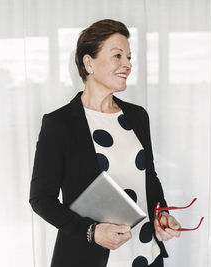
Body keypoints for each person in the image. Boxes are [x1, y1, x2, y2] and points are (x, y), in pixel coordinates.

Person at [29, 19, 181, 267]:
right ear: (89, 63)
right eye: (117, 56)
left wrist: (161, 215)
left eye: (129, 57)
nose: (128, 64)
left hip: (144, 255)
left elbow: (149, 179)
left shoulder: (137, 117)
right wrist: (92, 232)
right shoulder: (59, 124)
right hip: (87, 257)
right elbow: (41, 199)